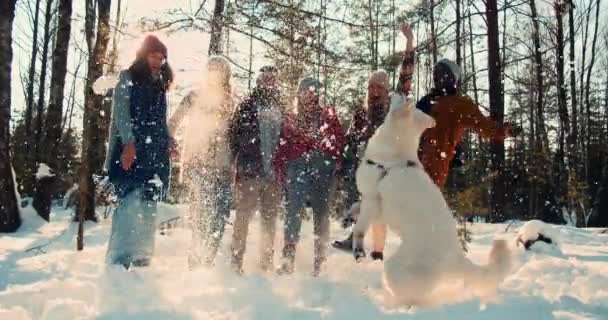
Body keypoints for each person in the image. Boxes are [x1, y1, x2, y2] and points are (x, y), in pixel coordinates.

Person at [332, 22, 416, 260]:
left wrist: (409, 43)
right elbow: (349, 138)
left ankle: (372, 249)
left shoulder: (394, 103)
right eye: (370, 86)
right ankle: (371, 252)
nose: (373, 90)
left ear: (386, 88)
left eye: (378, 86)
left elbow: (407, 75)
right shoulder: (362, 112)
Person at [105, 35, 175, 269]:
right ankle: (119, 262)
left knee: (148, 207)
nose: (158, 61)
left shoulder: (160, 85)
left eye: (162, 58)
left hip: (155, 153)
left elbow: (160, 120)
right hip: (132, 150)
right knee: (128, 205)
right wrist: (128, 143)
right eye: (154, 56)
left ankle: (142, 259)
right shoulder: (127, 77)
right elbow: (122, 114)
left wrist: (169, 140)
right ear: (143, 54)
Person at [273, 76, 345, 276]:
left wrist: (335, 163)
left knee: (321, 213)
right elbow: (282, 146)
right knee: (293, 209)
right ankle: (288, 259)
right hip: (297, 167)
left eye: (313, 91)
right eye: (306, 91)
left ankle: (320, 261)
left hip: (322, 167)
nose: (310, 95)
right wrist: (281, 169)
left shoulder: (328, 115)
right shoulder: (291, 117)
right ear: (299, 93)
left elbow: (338, 140)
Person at [169, 56, 235, 268]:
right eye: (213, 70)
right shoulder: (193, 97)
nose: (216, 74)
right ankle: (195, 260)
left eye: (221, 71)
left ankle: (208, 259)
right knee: (201, 214)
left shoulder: (230, 102)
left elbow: (235, 135)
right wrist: (169, 141)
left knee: (219, 216)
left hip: (224, 166)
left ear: (226, 75)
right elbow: (173, 122)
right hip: (198, 164)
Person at [417, 58, 514, 188]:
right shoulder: (426, 102)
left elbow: (483, 126)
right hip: (411, 158)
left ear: (452, 79)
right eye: (436, 74)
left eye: (442, 74)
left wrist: (504, 131)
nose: (438, 78)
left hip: (437, 162)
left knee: (425, 198)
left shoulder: (461, 105)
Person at [227, 66, 285, 274]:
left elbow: (286, 140)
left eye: (271, 79)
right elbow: (233, 136)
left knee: (269, 220)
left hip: (274, 174)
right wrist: (236, 164)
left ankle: (265, 263)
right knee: (243, 217)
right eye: (264, 79)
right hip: (250, 172)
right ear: (258, 82)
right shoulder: (246, 106)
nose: (268, 83)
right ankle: (236, 262)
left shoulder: (281, 107)